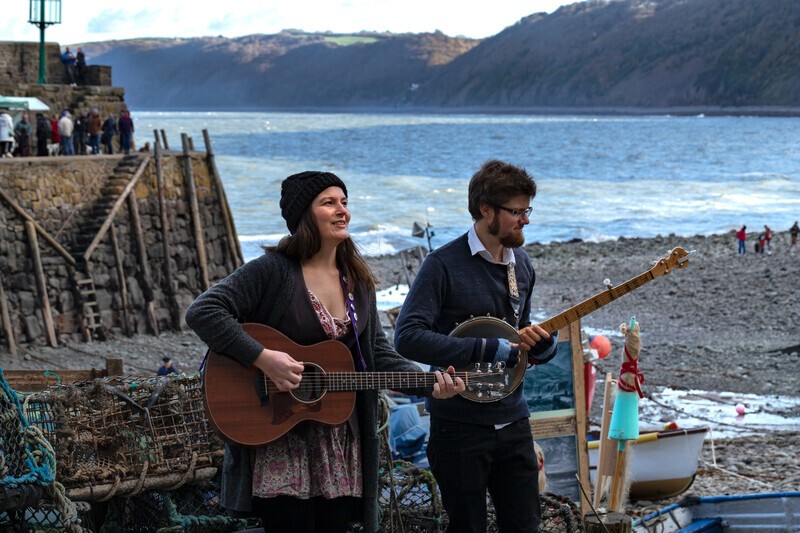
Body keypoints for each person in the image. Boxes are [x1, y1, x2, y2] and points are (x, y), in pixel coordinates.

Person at [184, 170, 465, 532]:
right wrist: (263, 357)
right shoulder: (273, 272)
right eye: (329, 203)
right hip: (281, 439)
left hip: (339, 445)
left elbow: (376, 353)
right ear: (304, 215)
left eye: (344, 202)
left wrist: (428, 382)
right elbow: (203, 311)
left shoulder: (357, 280)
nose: (342, 211)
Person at [394, 159, 559, 533]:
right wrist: (488, 349)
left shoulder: (522, 265)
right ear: (487, 210)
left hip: (515, 421)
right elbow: (407, 335)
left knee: (526, 526)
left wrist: (543, 347)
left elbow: (520, 334)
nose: (526, 220)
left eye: (527, 210)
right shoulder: (442, 265)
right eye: (517, 212)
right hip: (458, 427)